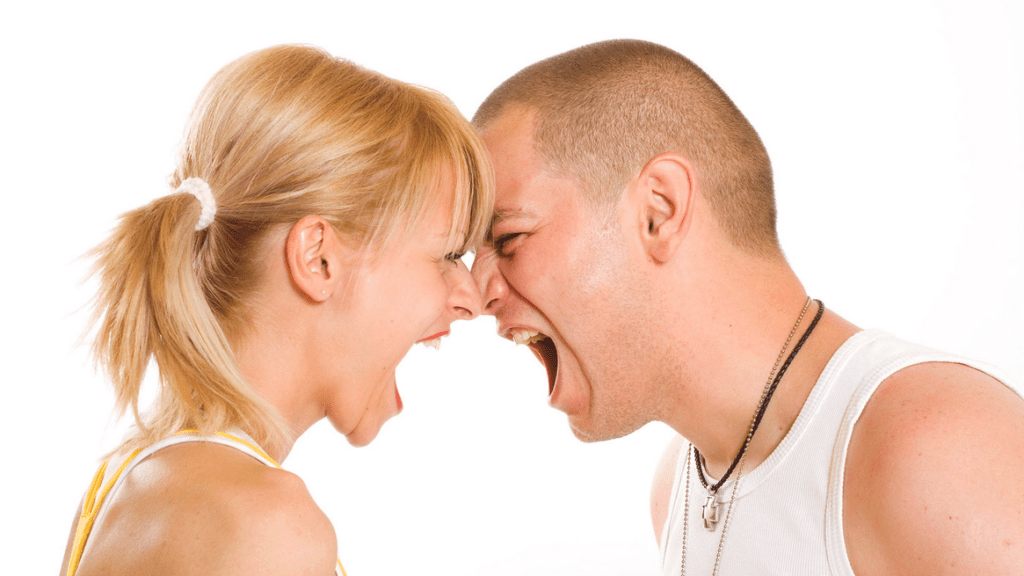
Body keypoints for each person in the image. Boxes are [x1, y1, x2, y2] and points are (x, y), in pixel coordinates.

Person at [470, 39, 1024, 575]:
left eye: (510, 239)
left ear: (657, 212)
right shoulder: (676, 493)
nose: (475, 292)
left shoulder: (936, 447)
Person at [60, 44, 492, 576]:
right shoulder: (266, 525)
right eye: (447, 254)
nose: (470, 297)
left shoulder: (122, 484)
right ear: (318, 258)